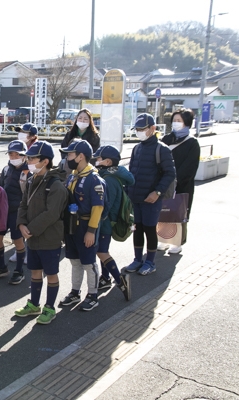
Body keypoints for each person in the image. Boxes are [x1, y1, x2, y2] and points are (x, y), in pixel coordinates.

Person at [15, 141, 68, 324]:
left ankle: (49, 307)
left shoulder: (56, 185)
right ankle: (34, 304)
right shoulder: (31, 180)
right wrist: (21, 224)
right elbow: (23, 204)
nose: (28, 161)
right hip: (33, 238)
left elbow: (52, 213)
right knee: (35, 272)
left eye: (32, 158)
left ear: (45, 161)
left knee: (51, 273)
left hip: (49, 238)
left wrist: (30, 229)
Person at [123, 113, 176, 276]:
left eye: (142, 129)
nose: (139, 132)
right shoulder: (137, 148)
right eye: (137, 129)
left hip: (152, 199)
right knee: (137, 229)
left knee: (150, 230)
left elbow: (170, 173)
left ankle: (150, 262)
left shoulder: (162, 149)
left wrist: (157, 192)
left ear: (152, 129)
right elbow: (132, 172)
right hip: (136, 197)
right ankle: (137, 259)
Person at [58, 140, 106, 311]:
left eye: (70, 155)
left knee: (88, 262)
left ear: (80, 157)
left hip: (86, 226)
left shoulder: (94, 179)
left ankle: (93, 294)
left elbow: (98, 207)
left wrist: (91, 231)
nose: (66, 158)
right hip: (72, 225)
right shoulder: (72, 176)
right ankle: (75, 292)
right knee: (75, 261)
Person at [0, 140, 31, 284]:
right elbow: (0, 190)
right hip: (3, 212)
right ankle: (1, 267)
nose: (14, 157)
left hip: (18, 213)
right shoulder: (6, 169)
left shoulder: (28, 172)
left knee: (18, 241)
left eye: (17, 154)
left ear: (24, 156)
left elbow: (30, 196)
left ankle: (19, 271)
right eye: (11, 154)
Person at [93, 145, 134, 300]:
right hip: (108, 221)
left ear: (108, 161)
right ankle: (105, 278)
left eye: (98, 158)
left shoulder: (108, 180)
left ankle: (120, 280)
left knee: (101, 252)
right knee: (104, 250)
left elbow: (105, 205)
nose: (96, 160)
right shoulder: (111, 176)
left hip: (105, 222)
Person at [158, 108, 201, 254]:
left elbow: (190, 167)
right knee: (163, 212)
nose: (176, 123)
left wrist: (175, 180)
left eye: (179, 121)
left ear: (187, 123)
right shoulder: (166, 139)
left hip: (182, 185)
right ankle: (162, 239)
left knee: (179, 212)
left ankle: (177, 242)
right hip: (164, 183)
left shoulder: (192, 143)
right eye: (174, 120)